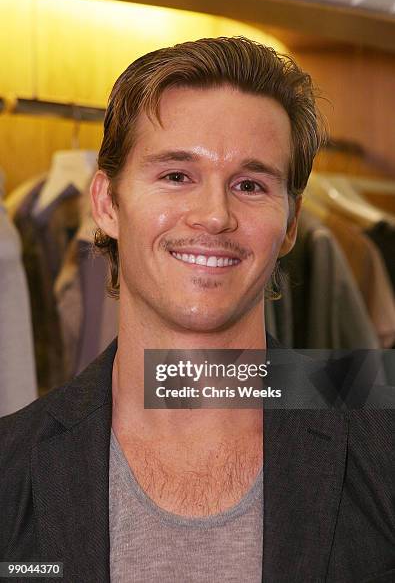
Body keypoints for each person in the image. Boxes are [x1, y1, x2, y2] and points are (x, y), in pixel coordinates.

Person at [0, 37, 394, 583]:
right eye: (176, 175)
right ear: (107, 203)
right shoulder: (10, 470)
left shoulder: (381, 449)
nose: (214, 216)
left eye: (251, 185)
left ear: (290, 223)